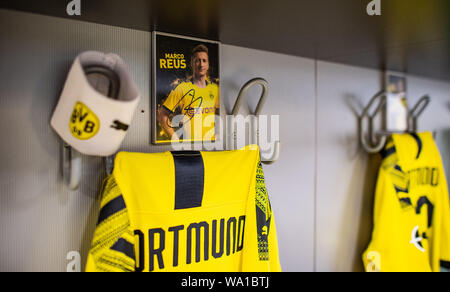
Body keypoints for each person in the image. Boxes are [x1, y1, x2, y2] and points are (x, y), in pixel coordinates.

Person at [157, 44, 220, 142]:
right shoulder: (182, 88)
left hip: (211, 146)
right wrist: (174, 137)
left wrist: (218, 134)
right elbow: (162, 114)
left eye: (204, 61)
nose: (201, 64)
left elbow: (220, 113)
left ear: (208, 65)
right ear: (192, 64)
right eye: (197, 61)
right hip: (190, 146)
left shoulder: (215, 89)